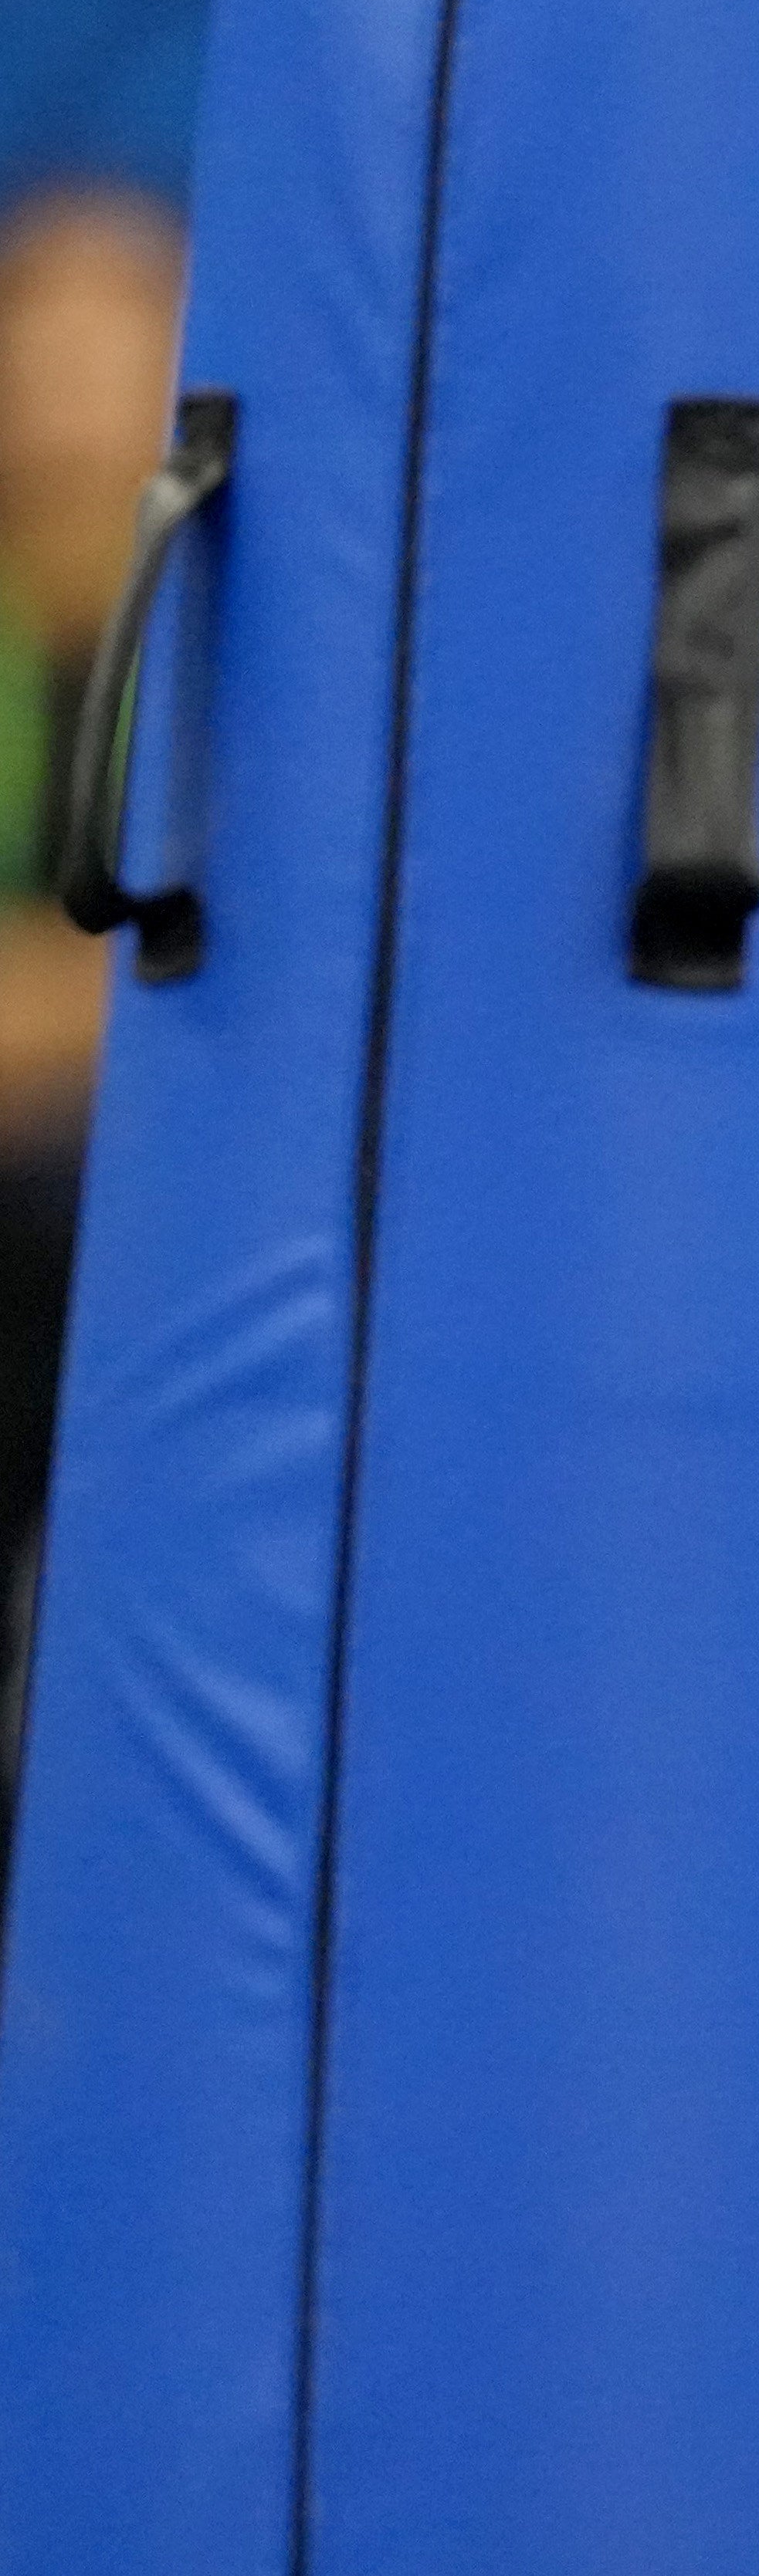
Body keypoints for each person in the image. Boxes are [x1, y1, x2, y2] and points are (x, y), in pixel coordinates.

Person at [0, 184, 169, 1967]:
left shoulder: (241, 638)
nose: (62, 389)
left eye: (109, 337)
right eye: (33, 337)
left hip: (179, 1273)